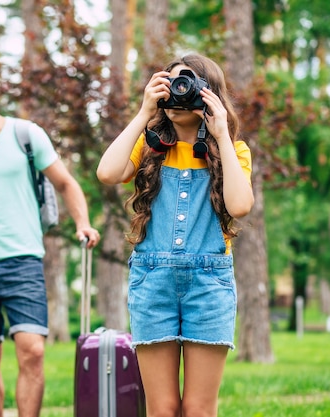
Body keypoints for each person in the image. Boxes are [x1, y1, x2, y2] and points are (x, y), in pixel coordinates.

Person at [97, 53, 254, 417]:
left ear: (209, 94)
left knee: (198, 409)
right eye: (170, 85)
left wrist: (220, 134)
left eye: (187, 85)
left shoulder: (234, 152)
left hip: (209, 284)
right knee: (162, 408)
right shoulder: (150, 147)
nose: (177, 94)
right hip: (153, 282)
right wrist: (142, 114)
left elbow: (240, 206)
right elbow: (107, 173)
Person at [0, 59, 100, 417]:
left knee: (32, 351)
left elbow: (65, 182)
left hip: (23, 262)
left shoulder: (25, 134)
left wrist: (82, 222)